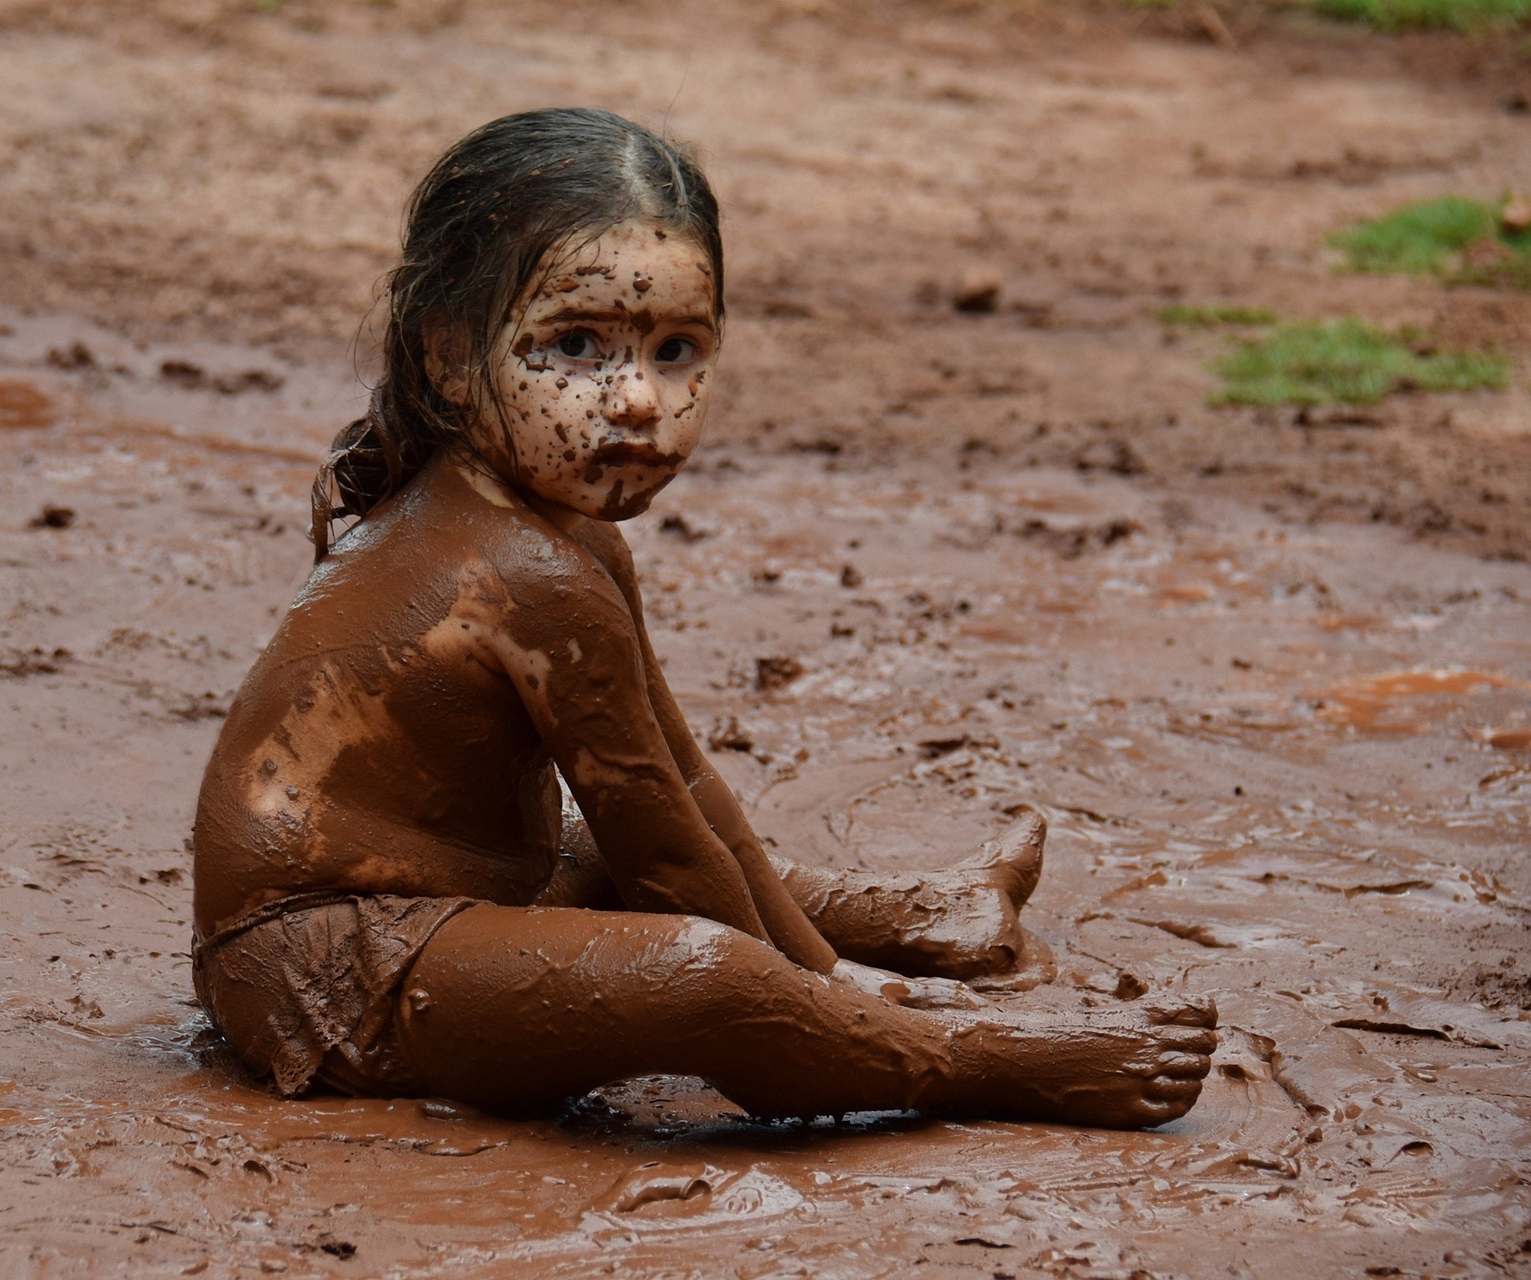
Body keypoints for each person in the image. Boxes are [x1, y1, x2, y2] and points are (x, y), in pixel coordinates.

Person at [191, 107, 1215, 1126]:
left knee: (605, 850)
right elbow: (669, 864)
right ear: (452, 356)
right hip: (320, 969)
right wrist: (816, 997)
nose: (637, 398)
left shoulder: (571, 543)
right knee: (701, 971)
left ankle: (923, 918)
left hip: (440, 904)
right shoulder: (527, 573)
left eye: (677, 349)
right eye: (578, 345)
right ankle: (970, 1057)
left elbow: (680, 785)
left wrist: (817, 967)